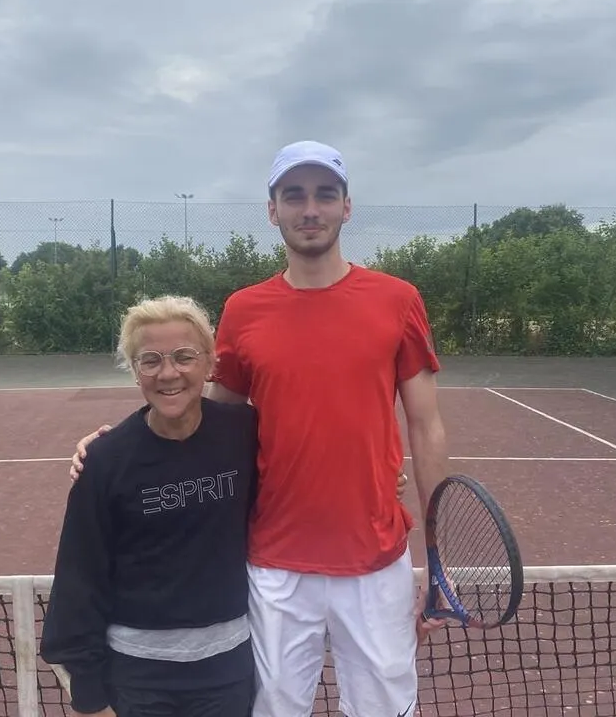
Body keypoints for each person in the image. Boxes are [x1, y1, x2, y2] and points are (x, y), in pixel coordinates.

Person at [69, 140, 448, 717]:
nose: (310, 209)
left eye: (325, 194)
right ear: (273, 210)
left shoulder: (398, 300)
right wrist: (113, 448)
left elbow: (425, 426)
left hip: (376, 561)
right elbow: (203, 416)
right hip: (274, 566)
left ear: (348, 207)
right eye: (293, 196)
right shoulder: (245, 309)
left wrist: (438, 562)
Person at [39, 295, 259, 717]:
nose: (169, 373)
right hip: (138, 681)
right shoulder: (105, 461)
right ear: (134, 370)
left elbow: (305, 474)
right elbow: (79, 577)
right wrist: (89, 697)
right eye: (151, 360)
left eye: (184, 356)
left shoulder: (246, 433)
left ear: (210, 362)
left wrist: (382, 479)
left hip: (229, 672)